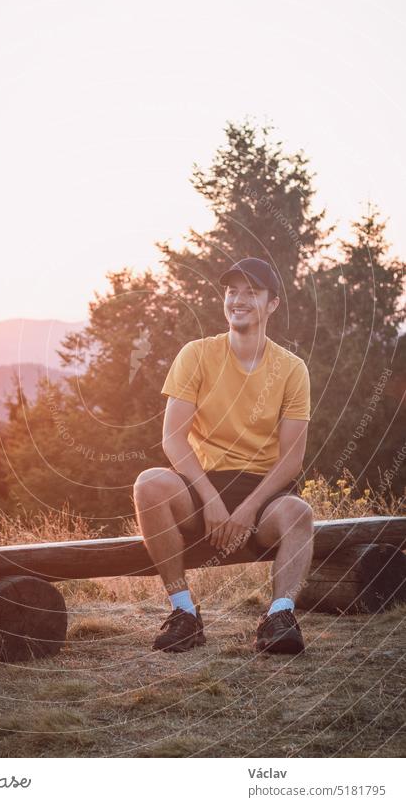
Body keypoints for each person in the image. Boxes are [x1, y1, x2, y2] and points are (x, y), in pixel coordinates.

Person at [133, 257, 314, 655]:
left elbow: (291, 460)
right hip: (201, 487)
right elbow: (173, 440)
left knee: (300, 513)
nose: (239, 299)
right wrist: (211, 499)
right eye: (232, 291)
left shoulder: (291, 369)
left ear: (272, 305)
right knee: (148, 484)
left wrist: (248, 508)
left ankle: (279, 617)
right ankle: (183, 613)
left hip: (263, 495)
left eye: (252, 292)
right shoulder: (195, 355)